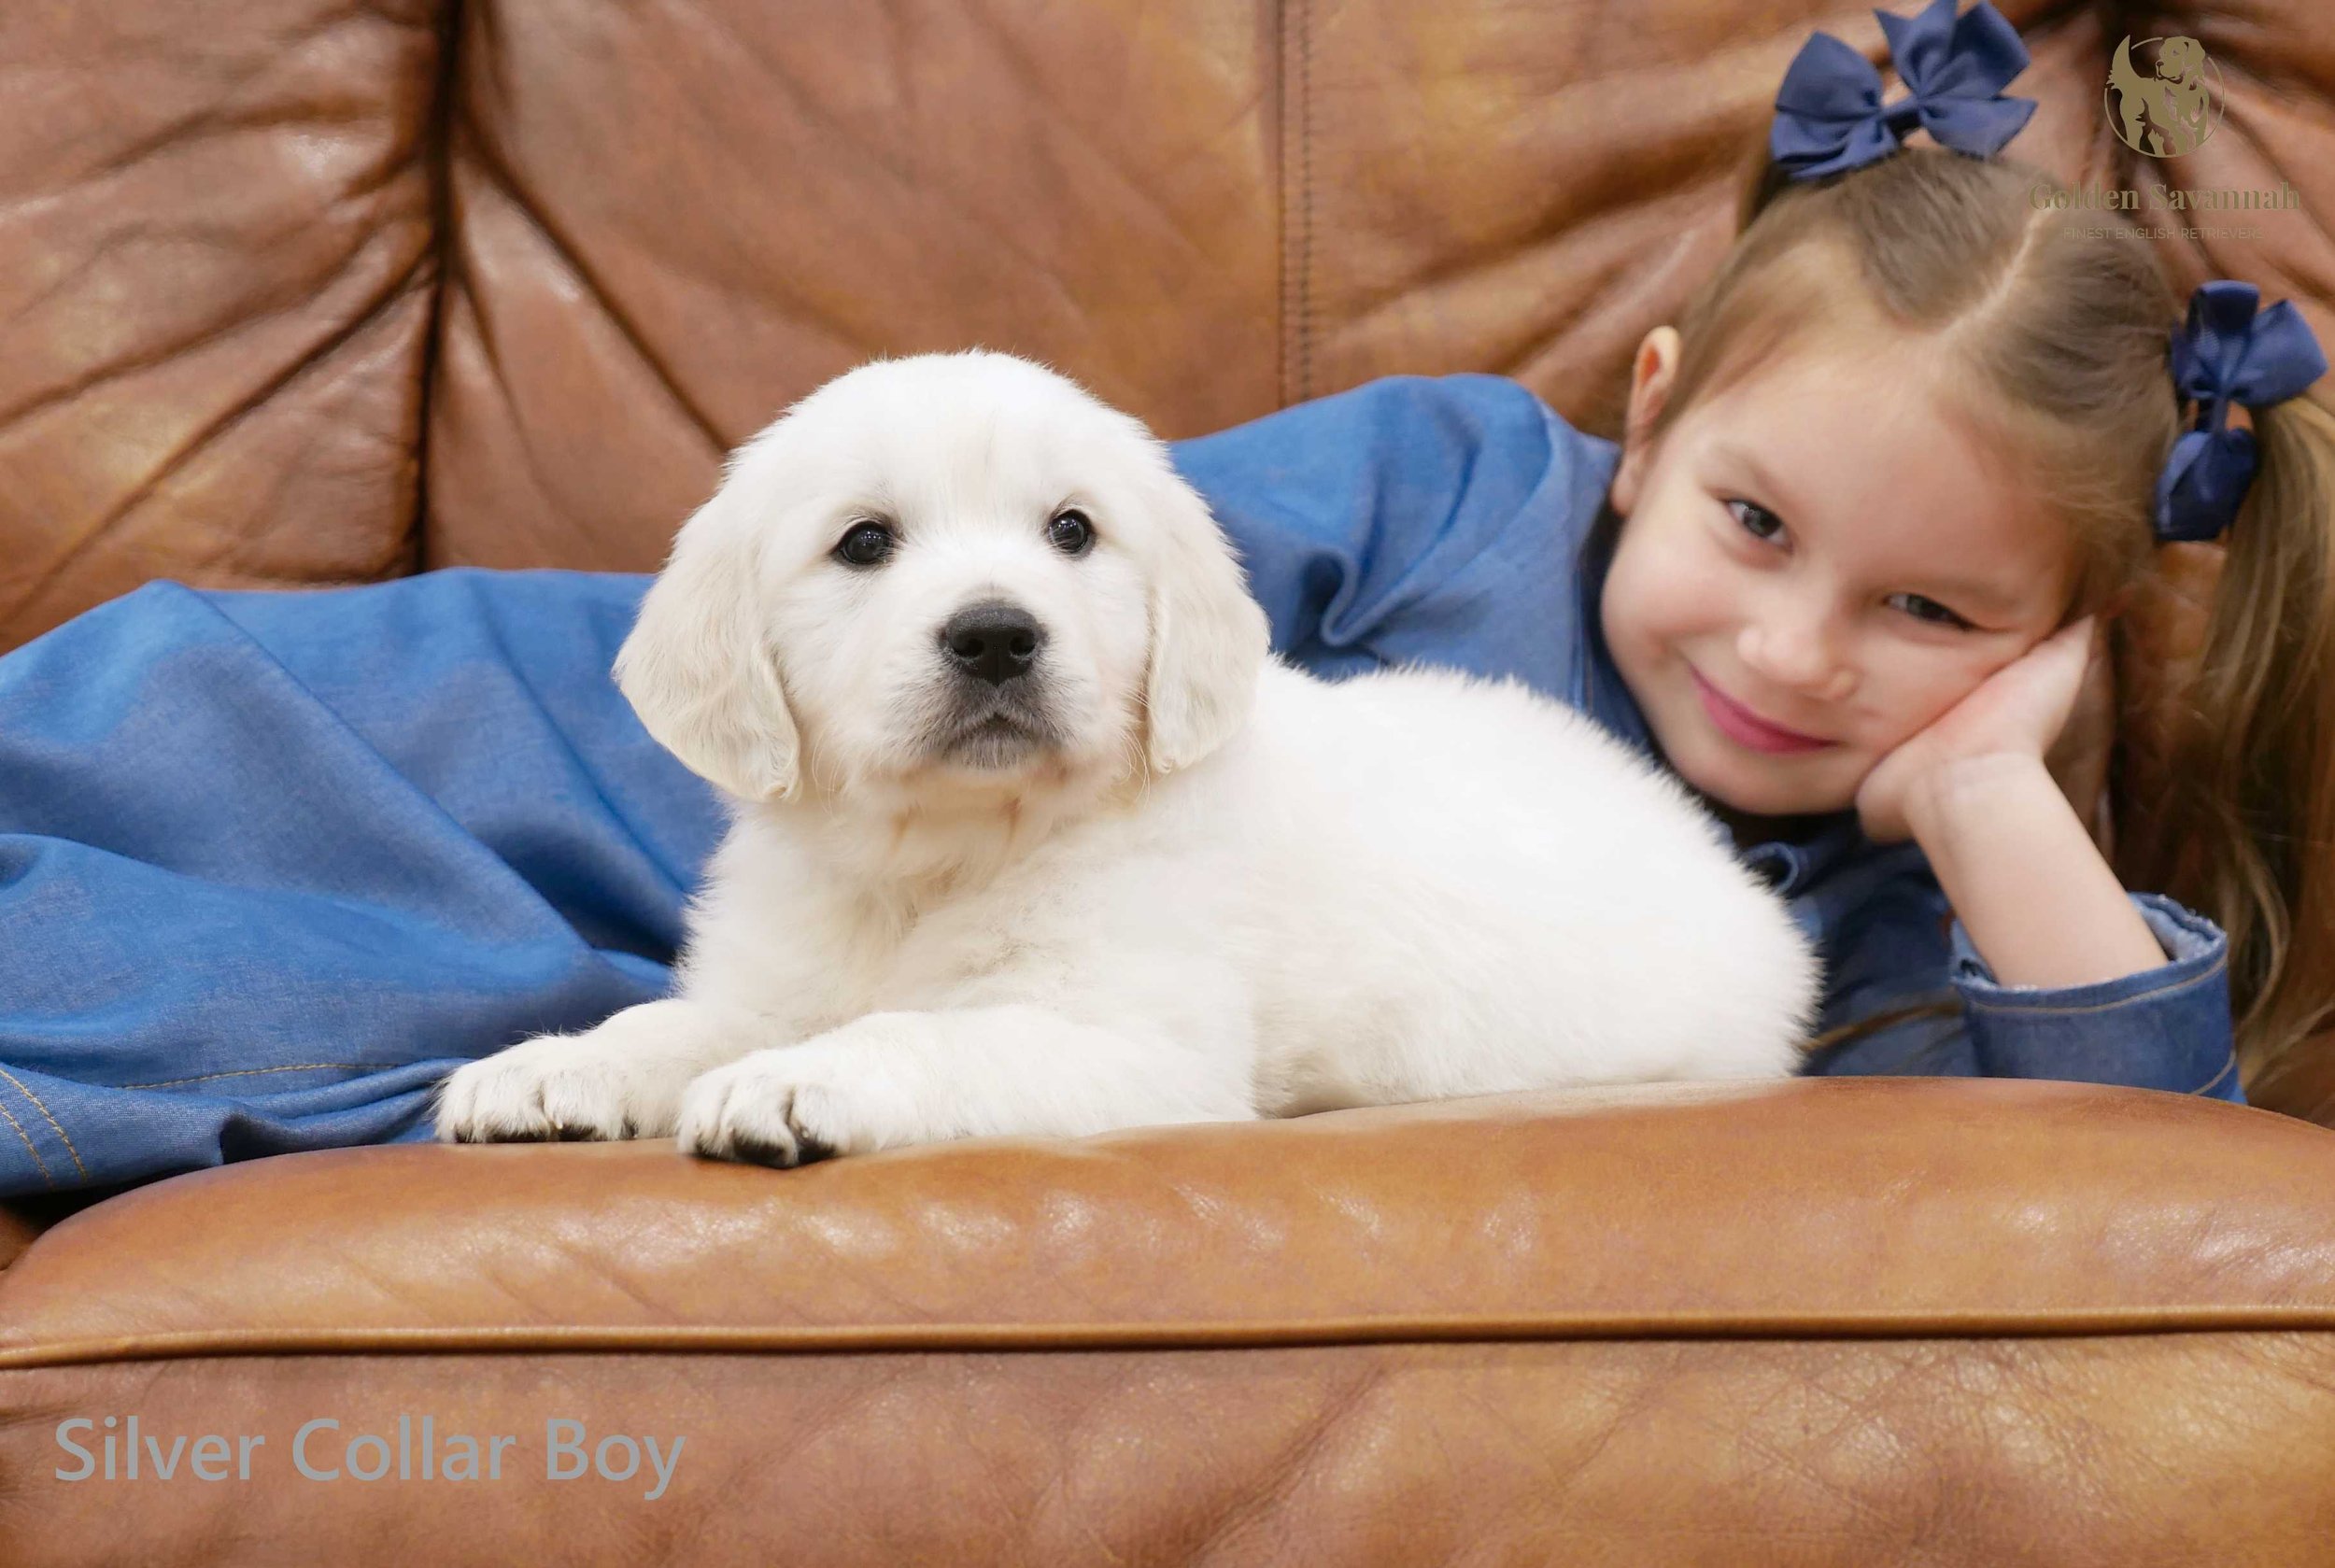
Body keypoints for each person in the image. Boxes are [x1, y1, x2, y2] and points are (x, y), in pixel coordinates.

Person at [0, 0, 2326, 1201]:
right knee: (211, 713)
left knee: (289, 998)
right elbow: (1034, 545)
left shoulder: (1872, 903)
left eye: (1930, 616)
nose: (1796, 651)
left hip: (892, 939)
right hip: (692, 764)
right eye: (1750, 524)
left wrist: (1988, 799)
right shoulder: (1438, 487)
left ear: (2057, 641)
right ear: (1642, 422)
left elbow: (2141, 1188)